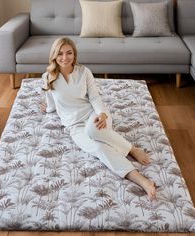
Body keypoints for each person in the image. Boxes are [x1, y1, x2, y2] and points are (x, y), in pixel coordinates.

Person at [41, 37, 156, 200]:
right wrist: (48, 109)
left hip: (93, 115)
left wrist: (102, 113)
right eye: (60, 53)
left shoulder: (84, 72)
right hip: (74, 126)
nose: (65, 57)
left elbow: (95, 97)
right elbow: (51, 104)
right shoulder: (48, 77)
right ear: (54, 55)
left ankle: (132, 149)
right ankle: (143, 181)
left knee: (93, 130)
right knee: (100, 149)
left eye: (69, 53)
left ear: (74, 54)